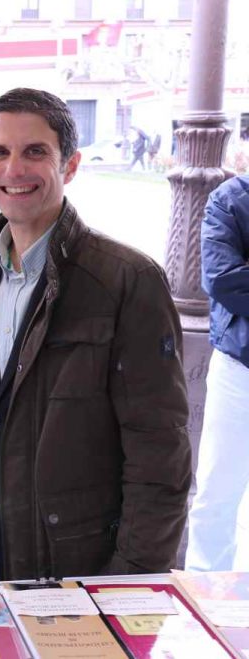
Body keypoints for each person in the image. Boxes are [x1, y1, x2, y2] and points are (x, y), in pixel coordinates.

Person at [0, 88, 191, 583]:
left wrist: (134, 579)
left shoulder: (124, 280)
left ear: (69, 166)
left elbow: (159, 452)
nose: (13, 170)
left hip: (68, 559)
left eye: (35, 152)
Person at [187, 175, 249, 572]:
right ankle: (204, 597)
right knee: (216, 493)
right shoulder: (230, 199)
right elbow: (223, 281)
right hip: (239, 368)